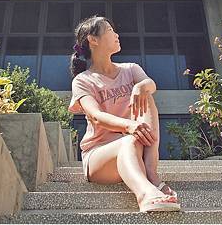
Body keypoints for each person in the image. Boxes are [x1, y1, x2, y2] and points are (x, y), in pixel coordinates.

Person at [67, 15, 181, 213]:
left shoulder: (131, 69)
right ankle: (146, 194)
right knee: (128, 140)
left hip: (135, 146)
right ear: (93, 40)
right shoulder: (83, 81)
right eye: (110, 30)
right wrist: (129, 126)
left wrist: (141, 86)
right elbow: (95, 116)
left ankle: (151, 173)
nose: (117, 35)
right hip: (100, 158)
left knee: (146, 95)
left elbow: (151, 85)